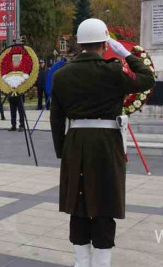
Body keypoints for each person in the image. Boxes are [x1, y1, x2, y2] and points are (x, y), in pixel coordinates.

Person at [50, 18, 155, 267]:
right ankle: (101, 263)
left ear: (79, 43)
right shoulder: (113, 71)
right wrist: (126, 53)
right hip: (107, 144)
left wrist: (62, 150)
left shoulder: (62, 75)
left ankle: (81, 262)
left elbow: (56, 118)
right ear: (104, 42)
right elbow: (147, 79)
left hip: (75, 142)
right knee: (104, 203)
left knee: (78, 203)